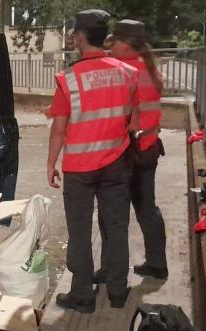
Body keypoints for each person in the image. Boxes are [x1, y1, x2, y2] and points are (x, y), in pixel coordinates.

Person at [46, 9, 140, 313]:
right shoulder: (127, 73)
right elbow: (131, 120)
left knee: (80, 231)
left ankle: (83, 296)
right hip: (116, 161)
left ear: (80, 36)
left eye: (74, 32)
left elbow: (59, 128)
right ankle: (116, 291)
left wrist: (51, 163)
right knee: (116, 226)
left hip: (80, 168)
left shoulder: (69, 78)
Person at [94, 20, 168, 283]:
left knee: (112, 214)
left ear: (128, 44)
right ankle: (158, 264)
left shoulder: (124, 72)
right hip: (149, 149)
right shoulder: (148, 68)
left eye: (116, 41)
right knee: (147, 208)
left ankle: (110, 270)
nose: (111, 45)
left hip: (127, 152)